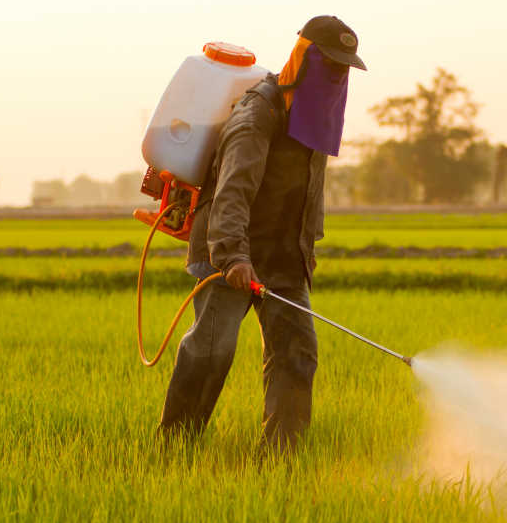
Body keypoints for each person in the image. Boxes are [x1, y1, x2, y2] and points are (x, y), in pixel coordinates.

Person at [157, 15, 367, 453]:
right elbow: (233, 192)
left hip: (283, 256)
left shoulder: (316, 119)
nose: (337, 74)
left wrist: (306, 251)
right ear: (303, 58)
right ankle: (173, 449)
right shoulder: (257, 116)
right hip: (229, 249)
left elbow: (311, 191)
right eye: (330, 63)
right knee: (213, 349)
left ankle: (279, 462)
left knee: (297, 353)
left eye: (344, 67)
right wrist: (233, 255)